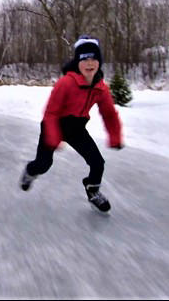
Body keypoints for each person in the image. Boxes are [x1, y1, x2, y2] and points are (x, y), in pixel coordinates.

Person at [18, 36, 123, 213]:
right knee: (44, 164)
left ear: (100, 62)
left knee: (98, 163)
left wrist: (115, 136)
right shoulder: (66, 83)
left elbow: (109, 113)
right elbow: (51, 113)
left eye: (94, 59)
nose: (90, 63)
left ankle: (93, 191)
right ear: (77, 62)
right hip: (55, 124)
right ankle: (30, 171)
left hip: (76, 128)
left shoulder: (100, 87)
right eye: (85, 59)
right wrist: (53, 137)